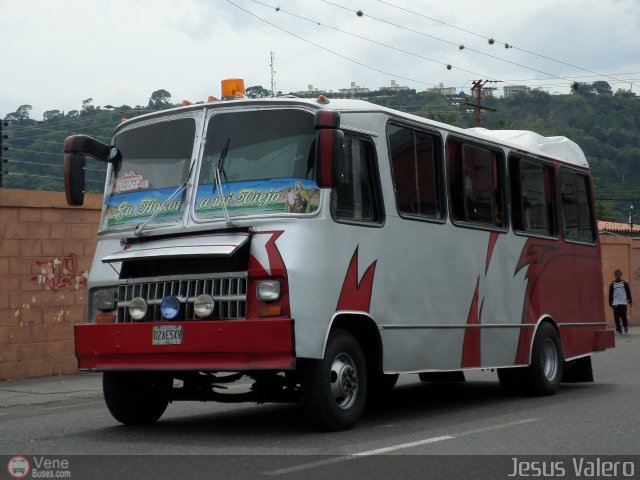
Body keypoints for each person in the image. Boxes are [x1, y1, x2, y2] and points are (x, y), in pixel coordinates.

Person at [609, 269, 632, 335]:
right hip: (615, 302)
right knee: (616, 316)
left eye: (618, 275)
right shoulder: (612, 283)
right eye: (616, 275)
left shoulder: (625, 282)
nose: (617, 276)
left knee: (623, 315)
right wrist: (610, 302)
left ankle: (625, 326)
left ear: (621, 275)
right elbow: (610, 294)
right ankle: (618, 330)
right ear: (614, 275)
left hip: (623, 302)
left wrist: (630, 300)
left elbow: (628, 292)